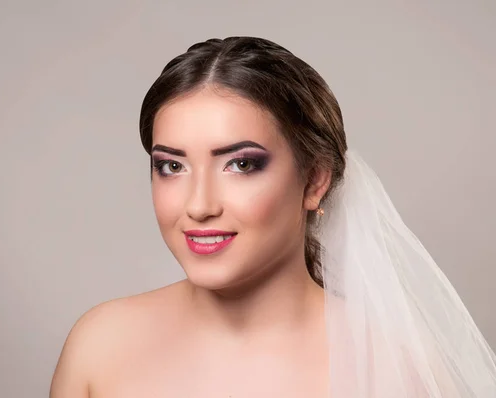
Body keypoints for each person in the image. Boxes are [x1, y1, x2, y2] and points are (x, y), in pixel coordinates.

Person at [50, 36, 496, 397]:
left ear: (314, 181)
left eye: (241, 164)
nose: (199, 205)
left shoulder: (394, 368)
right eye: (172, 166)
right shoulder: (100, 345)